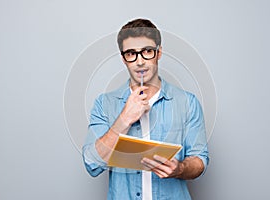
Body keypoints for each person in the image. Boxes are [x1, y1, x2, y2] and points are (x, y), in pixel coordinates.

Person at [83, 18, 209, 200]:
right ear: (123, 59)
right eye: (131, 54)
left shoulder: (187, 102)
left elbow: (200, 160)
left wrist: (180, 168)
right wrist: (124, 119)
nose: (140, 62)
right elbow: (91, 164)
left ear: (159, 53)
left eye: (147, 51)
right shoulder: (104, 104)